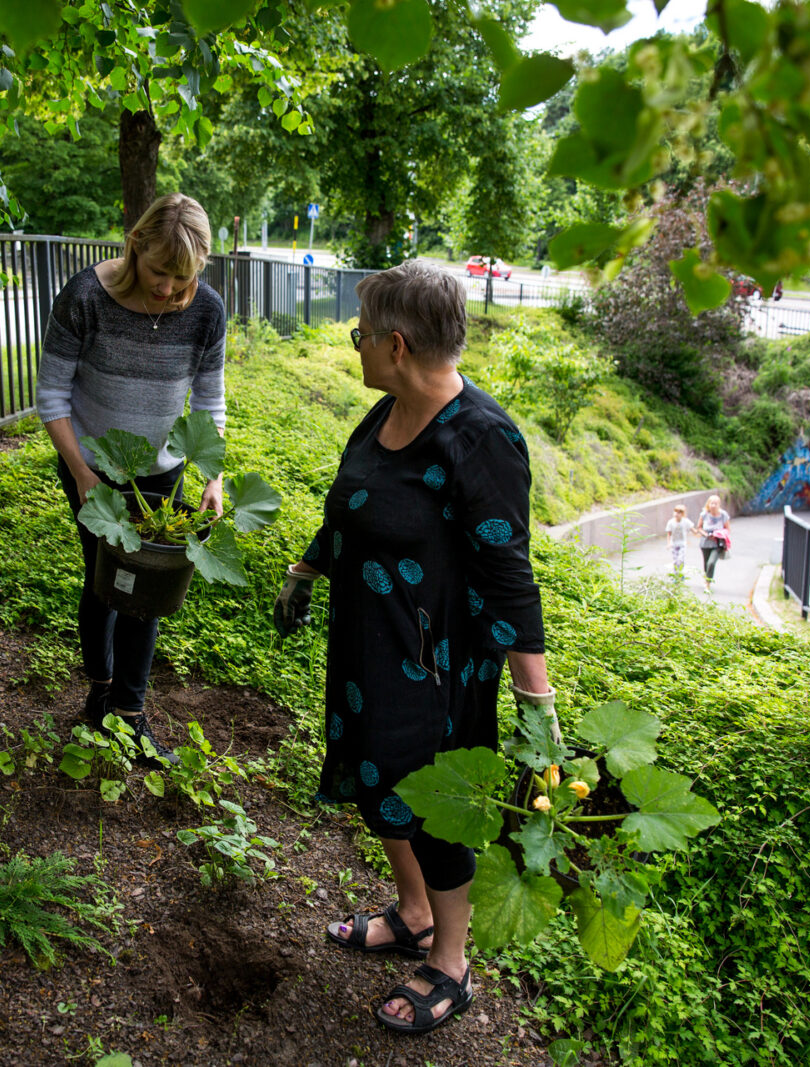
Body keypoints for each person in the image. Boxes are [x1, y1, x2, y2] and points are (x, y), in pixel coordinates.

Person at [273, 260, 553, 1035]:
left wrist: (536, 704)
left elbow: (509, 577)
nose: (356, 345)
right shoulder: (384, 412)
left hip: (435, 667)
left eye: (361, 334)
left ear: (396, 344)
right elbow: (354, 506)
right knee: (373, 778)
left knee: (435, 807)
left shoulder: (482, 439)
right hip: (367, 646)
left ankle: (451, 965)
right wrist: (306, 568)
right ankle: (414, 912)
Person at [37, 193, 227, 765]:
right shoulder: (85, 297)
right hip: (91, 469)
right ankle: (100, 689)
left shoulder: (207, 310)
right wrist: (82, 473)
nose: (168, 288)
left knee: (148, 590)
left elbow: (210, 400)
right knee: (105, 580)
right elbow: (52, 395)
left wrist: (213, 477)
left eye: (183, 276)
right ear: (136, 244)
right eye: (159, 271)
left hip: (162, 476)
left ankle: (129, 714)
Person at [694, 494, 731, 593]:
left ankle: (708, 583)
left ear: (719, 504)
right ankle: (706, 578)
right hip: (705, 542)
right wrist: (706, 534)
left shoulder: (723, 515)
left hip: (717, 543)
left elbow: (728, 529)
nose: (713, 505)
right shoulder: (704, 514)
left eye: (716, 503)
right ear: (708, 504)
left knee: (711, 562)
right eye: (712, 503)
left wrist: (719, 534)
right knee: (706, 563)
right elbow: (699, 528)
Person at [664, 503, 691, 578]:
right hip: (674, 544)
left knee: (680, 559)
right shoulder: (671, 522)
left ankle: (681, 573)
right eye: (675, 512)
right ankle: (676, 575)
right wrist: (668, 543)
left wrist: (697, 532)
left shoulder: (685, 521)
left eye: (679, 512)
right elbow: (669, 534)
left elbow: (691, 527)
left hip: (682, 544)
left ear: (682, 514)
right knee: (675, 560)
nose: (677, 514)